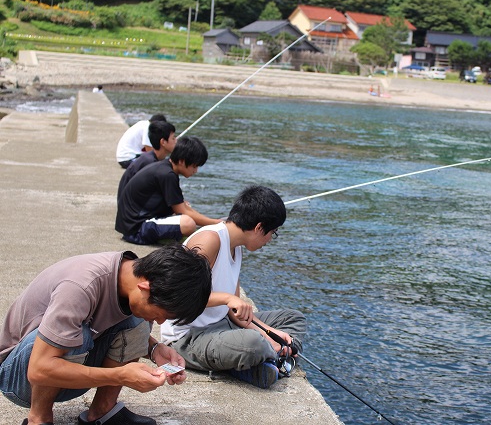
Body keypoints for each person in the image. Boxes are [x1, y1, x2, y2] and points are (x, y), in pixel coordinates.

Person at [0, 244, 212, 425]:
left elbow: (113, 324)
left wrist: (155, 349)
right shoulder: (80, 287)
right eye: (162, 314)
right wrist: (121, 375)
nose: (160, 322)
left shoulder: (131, 274)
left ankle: (102, 411)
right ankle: (39, 418)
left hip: (62, 372)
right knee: (78, 335)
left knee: (137, 321)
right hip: (20, 378)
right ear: (145, 287)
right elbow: (38, 371)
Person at [161, 185, 306, 389]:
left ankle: (269, 358)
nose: (270, 239)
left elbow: (235, 313)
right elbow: (177, 297)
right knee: (252, 344)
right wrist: (228, 299)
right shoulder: (210, 240)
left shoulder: (236, 247)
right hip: (189, 337)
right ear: (258, 227)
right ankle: (267, 359)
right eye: (272, 232)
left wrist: (269, 333)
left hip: (223, 326)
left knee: (293, 318)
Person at [115, 135, 222, 245]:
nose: (196, 171)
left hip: (130, 225)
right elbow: (182, 211)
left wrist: (210, 221)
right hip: (136, 230)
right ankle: (169, 241)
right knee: (188, 223)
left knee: (185, 209)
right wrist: (214, 223)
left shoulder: (164, 168)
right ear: (181, 161)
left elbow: (181, 207)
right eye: (194, 166)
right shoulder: (167, 175)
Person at [116, 120, 177, 200]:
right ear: (163, 142)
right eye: (173, 138)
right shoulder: (150, 164)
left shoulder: (148, 158)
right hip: (133, 210)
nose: (176, 141)